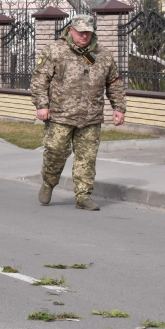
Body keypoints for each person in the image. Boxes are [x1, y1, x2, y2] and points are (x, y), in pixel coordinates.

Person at [31, 14, 126, 211]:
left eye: (88, 32)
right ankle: (49, 183)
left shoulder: (103, 55)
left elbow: (114, 83)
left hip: (91, 117)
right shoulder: (55, 50)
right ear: (71, 30)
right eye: (81, 32)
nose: (84, 36)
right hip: (60, 115)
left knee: (87, 158)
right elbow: (40, 80)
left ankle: (83, 196)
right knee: (56, 152)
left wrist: (118, 108)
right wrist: (42, 105)